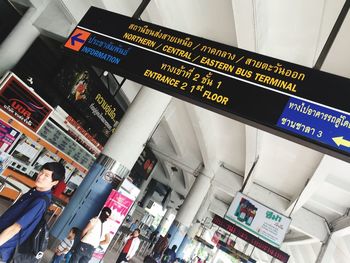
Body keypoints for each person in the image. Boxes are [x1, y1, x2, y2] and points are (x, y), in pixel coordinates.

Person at [0, 162, 65, 262]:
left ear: (55, 182)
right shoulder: (34, 191)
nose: (40, 176)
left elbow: (16, 228)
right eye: (41, 172)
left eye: (46, 175)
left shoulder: (40, 201)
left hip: (4, 246)